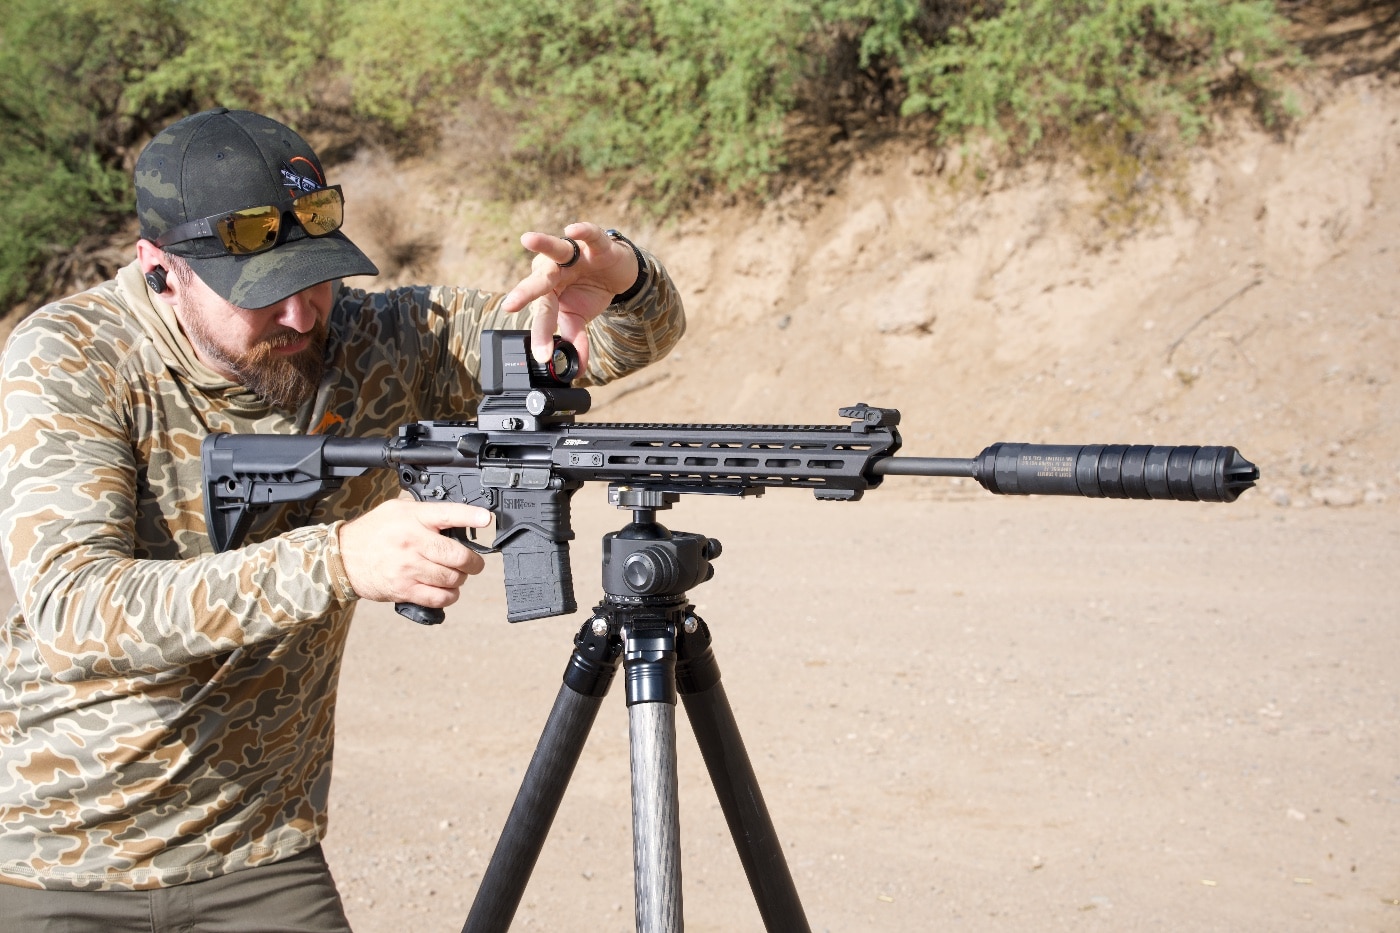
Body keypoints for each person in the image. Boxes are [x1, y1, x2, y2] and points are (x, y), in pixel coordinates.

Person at [0, 107, 685, 930]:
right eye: (263, 292)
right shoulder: (73, 356)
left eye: (316, 277)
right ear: (161, 269)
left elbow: (603, 348)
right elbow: (76, 609)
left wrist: (626, 280)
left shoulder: (379, 338)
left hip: (259, 850)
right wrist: (337, 559)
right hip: (57, 856)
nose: (300, 317)